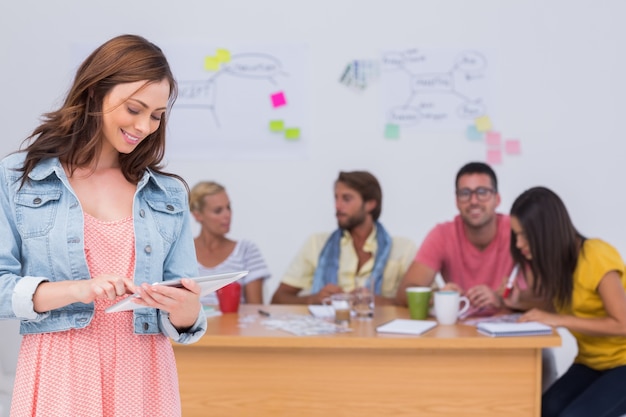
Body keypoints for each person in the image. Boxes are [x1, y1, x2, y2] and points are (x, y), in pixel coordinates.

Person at [0, 34, 206, 416]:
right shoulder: (19, 179)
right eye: (134, 109)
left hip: (144, 369)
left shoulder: (168, 194)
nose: (145, 125)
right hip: (60, 368)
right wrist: (78, 289)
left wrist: (188, 308)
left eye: (157, 115)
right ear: (95, 92)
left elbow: (186, 311)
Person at [509, 187, 626, 417]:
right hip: (591, 363)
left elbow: (622, 324)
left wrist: (559, 320)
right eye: (516, 235)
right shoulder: (557, 266)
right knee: (544, 409)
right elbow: (559, 307)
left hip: (623, 364)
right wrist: (517, 301)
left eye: (524, 235)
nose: (519, 244)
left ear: (546, 232)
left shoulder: (595, 255)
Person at [271, 170, 416, 305]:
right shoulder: (317, 243)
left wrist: (375, 302)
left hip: (379, 330)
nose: (338, 206)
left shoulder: (403, 248)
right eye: (336, 198)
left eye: (346, 199)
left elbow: (423, 300)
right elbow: (277, 299)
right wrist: (314, 298)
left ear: (370, 204)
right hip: (328, 330)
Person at [396, 162, 516, 311]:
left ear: (497, 199)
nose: (473, 201)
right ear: (456, 201)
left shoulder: (516, 230)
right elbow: (405, 292)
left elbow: (543, 295)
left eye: (482, 192)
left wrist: (501, 300)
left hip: (509, 330)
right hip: (458, 329)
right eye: (465, 193)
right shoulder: (442, 235)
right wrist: (437, 297)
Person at [189, 181, 271, 304]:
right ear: (197, 215)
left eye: (228, 207)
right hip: (193, 323)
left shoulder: (246, 250)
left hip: (234, 324)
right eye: (218, 210)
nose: (227, 215)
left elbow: (255, 311)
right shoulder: (183, 252)